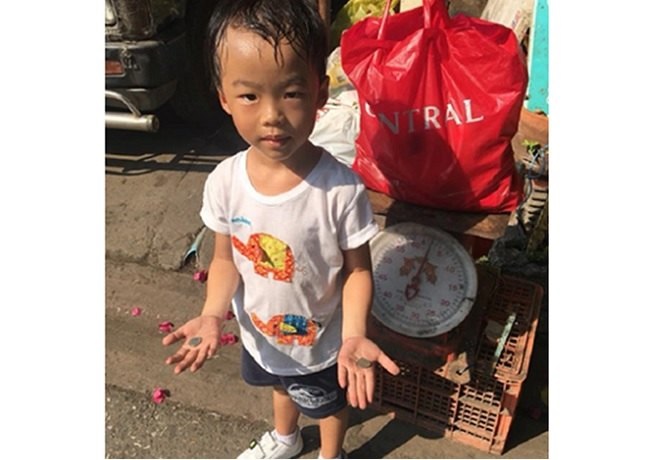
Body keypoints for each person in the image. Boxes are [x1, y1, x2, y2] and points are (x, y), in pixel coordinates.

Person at [162, 1, 400, 458]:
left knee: (328, 404)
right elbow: (225, 258)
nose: (272, 114)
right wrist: (213, 313)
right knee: (279, 384)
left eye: (291, 93)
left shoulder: (340, 188)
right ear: (224, 98)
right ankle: (287, 439)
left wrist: (353, 333)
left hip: (324, 341)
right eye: (250, 96)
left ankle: (331, 453)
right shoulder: (226, 183)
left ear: (320, 92)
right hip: (260, 332)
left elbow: (357, 271)